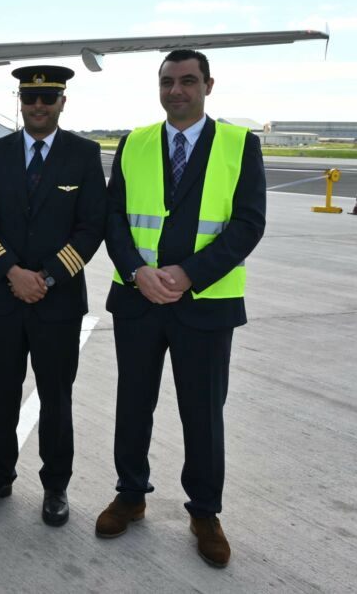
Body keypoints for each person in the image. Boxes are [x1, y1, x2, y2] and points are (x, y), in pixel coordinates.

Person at [96, 49, 265, 568]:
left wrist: (190, 273)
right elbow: (113, 218)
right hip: (139, 299)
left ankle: (205, 512)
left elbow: (248, 223)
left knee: (203, 413)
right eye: (167, 81)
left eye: (188, 81)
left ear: (208, 86)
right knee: (133, 404)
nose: (176, 90)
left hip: (205, 303)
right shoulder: (135, 142)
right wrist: (136, 271)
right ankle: (130, 494)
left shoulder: (239, 143)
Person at [0, 65, 106, 524]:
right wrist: (12, 272)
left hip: (57, 302)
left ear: (63, 102)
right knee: (1, 395)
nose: (38, 106)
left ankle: (55, 486)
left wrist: (44, 278)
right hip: (1, 299)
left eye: (48, 99)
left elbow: (91, 228)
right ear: (20, 101)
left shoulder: (83, 154)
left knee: (56, 399)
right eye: (30, 98)